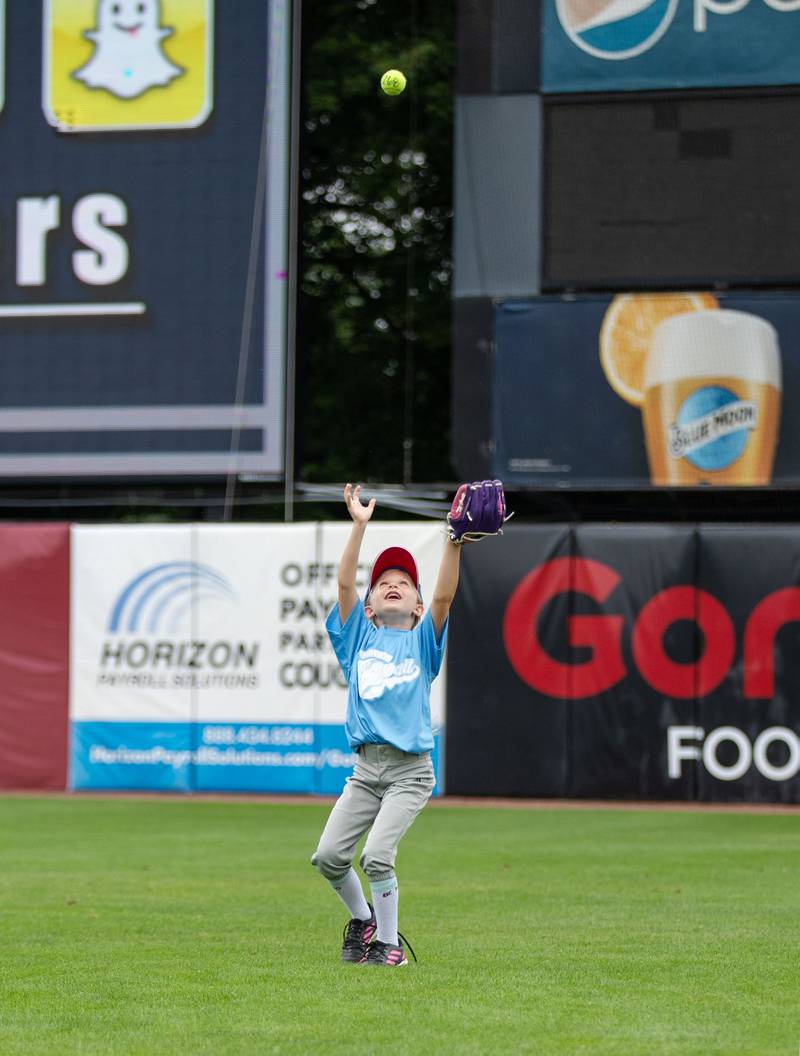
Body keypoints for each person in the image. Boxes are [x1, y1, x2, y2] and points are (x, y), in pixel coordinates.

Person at [311, 482, 463, 967]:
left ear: (416, 605)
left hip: (408, 773)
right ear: (371, 606)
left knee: (377, 855)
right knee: (329, 857)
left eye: (404, 581)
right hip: (365, 773)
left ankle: (389, 947)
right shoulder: (358, 640)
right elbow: (342, 587)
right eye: (383, 581)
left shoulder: (423, 641)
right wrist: (359, 527)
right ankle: (363, 920)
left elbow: (445, 596)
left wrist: (453, 542)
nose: (392, 582)